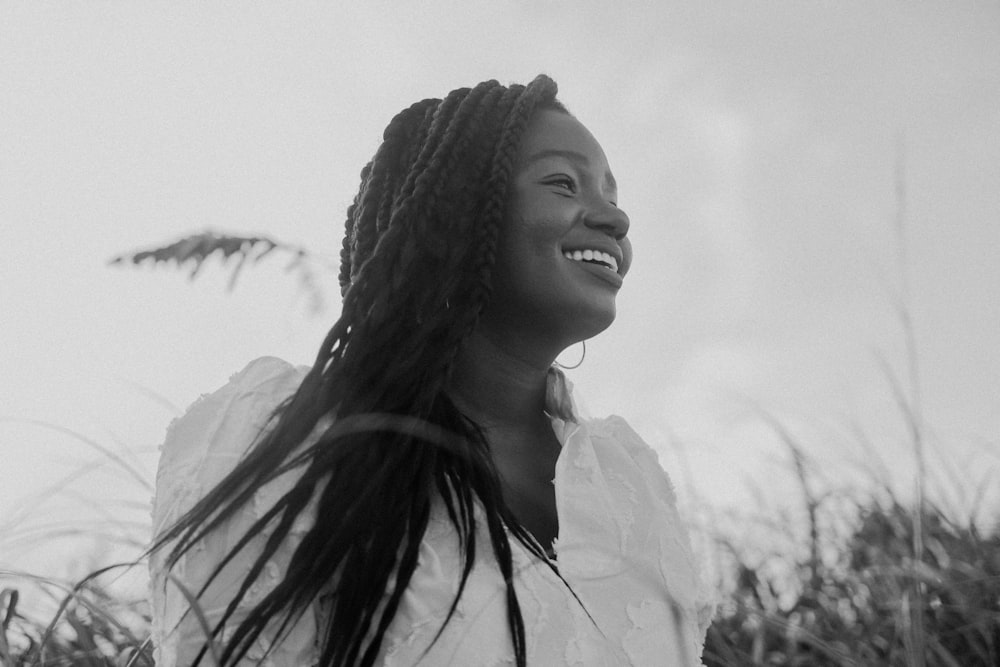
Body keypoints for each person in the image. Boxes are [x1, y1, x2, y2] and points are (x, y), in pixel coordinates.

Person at [149, 75, 714, 666]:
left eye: (613, 197)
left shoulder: (626, 477)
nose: (614, 221)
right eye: (563, 184)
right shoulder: (287, 435)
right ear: (462, 215)